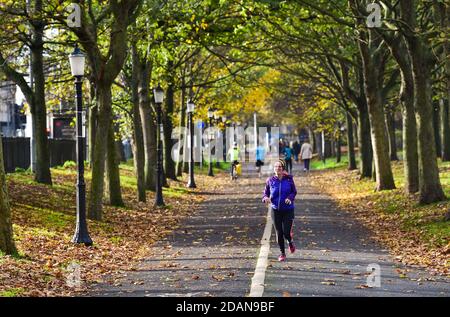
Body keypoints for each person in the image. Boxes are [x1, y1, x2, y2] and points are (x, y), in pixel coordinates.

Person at [262, 159, 297, 262]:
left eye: (280, 167)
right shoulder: (270, 181)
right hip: (275, 210)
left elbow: (294, 192)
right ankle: (282, 253)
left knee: (286, 232)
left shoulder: (289, 180)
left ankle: (290, 242)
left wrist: (289, 198)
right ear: (274, 169)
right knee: (279, 232)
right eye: (276, 167)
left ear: (283, 169)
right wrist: (265, 199)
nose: (278, 168)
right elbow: (265, 193)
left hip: (288, 210)